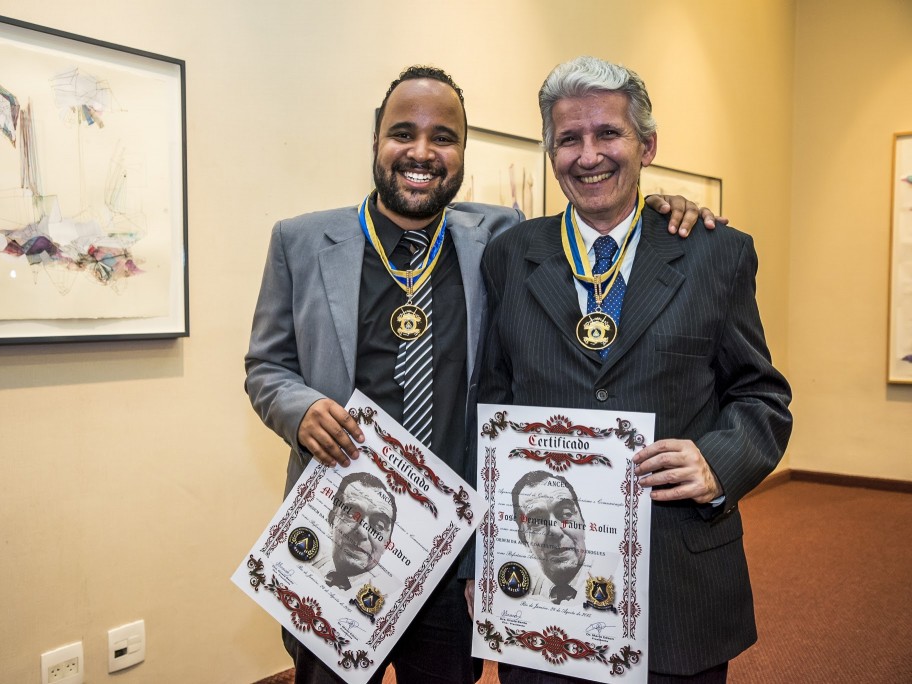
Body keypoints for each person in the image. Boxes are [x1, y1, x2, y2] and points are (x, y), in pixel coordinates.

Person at [245, 64, 719, 684]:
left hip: (455, 543)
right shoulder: (302, 242)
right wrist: (298, 408)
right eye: (402, 133)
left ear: (463, 151)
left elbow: (602, 214)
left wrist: (662, 208)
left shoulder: (501, 237)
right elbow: (267, 366)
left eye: (443, 137)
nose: (421, 152)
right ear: (375, 143)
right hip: (340, 527)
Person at [479, 56, 793, 684]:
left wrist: (717, 461)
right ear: (550, 152)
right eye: (569, 138)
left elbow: (761, 395)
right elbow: (492, 397)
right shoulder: (512, 256)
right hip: (540, 594)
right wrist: (482, 560)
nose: (588, 154)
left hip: (677, 578)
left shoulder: (716, 254)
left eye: (608, 134)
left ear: (647, 146)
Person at [511, 471, 588, 604]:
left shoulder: (616, 577)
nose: (555, 530)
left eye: (566, 513)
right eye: (536, 522)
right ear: (524, 540)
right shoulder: (519, 590)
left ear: (583, 523)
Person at [315, 472, 397, 591]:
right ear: (332, 520)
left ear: (387, 544)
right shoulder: (309, 562)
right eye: (351, 514)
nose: (362, 531)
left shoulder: (393, 594)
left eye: (379, 525)